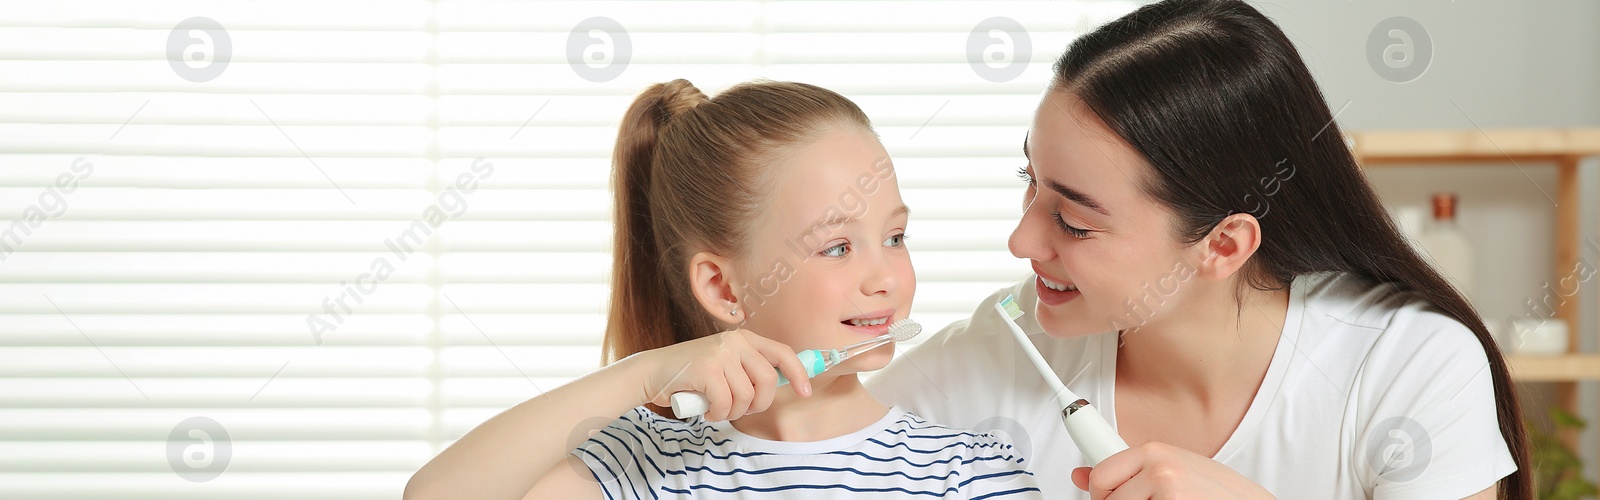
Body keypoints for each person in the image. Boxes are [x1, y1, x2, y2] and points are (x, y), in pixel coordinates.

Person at [865, 0, 1529, 498]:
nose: (1020, 240)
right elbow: (800, 442)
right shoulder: (1008, 344)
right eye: (1028, 183)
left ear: (1224, 244)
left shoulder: (1405, 365)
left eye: (1073, 221)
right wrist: (760, 374)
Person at [404, 79, 1042, 499]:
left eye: (896, 238)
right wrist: (645, 376)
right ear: (722, 287)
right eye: (838, 247)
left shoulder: (966, 471)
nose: (886, 278)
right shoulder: (646, 465)